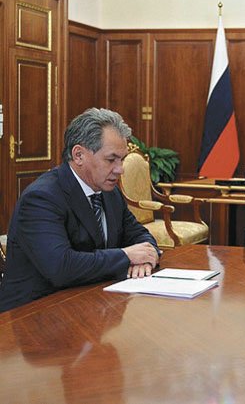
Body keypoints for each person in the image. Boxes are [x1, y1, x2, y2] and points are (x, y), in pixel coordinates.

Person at [0, 108, 161, 312]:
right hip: (34, 314)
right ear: (79, 155)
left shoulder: (109, 192)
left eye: (122, 159)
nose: (120, 169)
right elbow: (61, 267)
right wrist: (126, 256)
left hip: (89, 303)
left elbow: (139, 234)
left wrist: (147, 256)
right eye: (111, 159)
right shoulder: (42, 198)